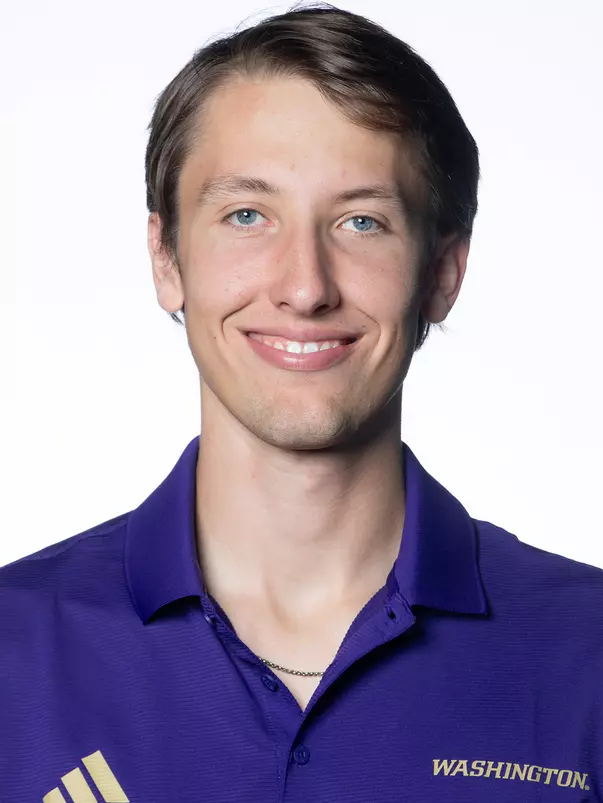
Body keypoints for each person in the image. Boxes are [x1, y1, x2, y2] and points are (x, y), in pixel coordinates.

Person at [1, 3, 602, 801]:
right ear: (166, 257)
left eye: (361, 221)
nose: (304, 286)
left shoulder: (586, 656)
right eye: (246, 215)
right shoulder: (14, 653)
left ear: (442, 274)